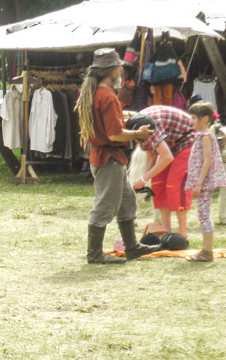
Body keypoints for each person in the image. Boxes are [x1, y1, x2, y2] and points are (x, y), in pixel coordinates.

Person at [75, 48, 159, 264]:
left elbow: (109, 124)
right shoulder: (108, 96)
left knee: (128, 202)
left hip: (108, 157)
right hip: (109, 159)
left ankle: (132, 247)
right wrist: (138, 133)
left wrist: (125, 117)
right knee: (105, 206)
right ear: (111, 70)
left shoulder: (97, 93)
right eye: (118, 66)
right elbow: (114, 134)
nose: (121, 69)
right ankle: (94, 255)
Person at [127, 105, 196, 239]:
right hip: (170, 144)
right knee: (158, 184)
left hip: (187, 141)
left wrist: (142, 179)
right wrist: (143, 178)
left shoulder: (148, 128)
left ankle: (183, 234)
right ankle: (167, 231)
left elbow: (167, 157)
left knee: (175, 185)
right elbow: (151, 157)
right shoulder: (136, 130)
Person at [185, 102, 226, 261]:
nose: (191, 120)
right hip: (203, 182)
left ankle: (207, 251)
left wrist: (198, 183)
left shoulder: (205, 137)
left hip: (204, 182)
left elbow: (207, 161)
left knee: (204, 215)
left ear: (205, 119)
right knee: (203, 214)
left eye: (194, 117)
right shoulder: (201, 135)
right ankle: (206, 249)